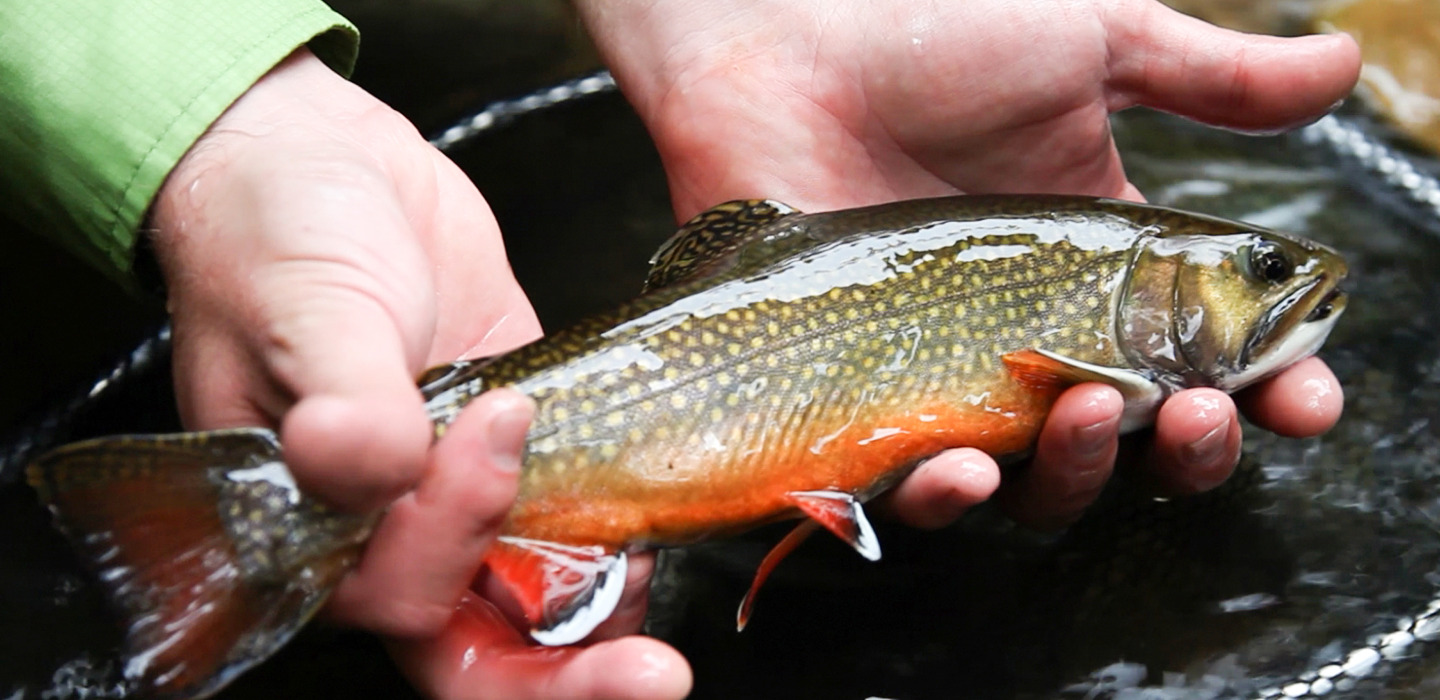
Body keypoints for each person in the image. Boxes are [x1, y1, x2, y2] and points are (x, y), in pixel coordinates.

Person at [1, 0, 1359, 698]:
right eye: (1263, 271)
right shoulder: (1083, 321)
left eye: (1269, 269)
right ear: (1142, 296)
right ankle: (252, 523)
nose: (1298, 283)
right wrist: (223, 145)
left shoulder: (1091, 329)